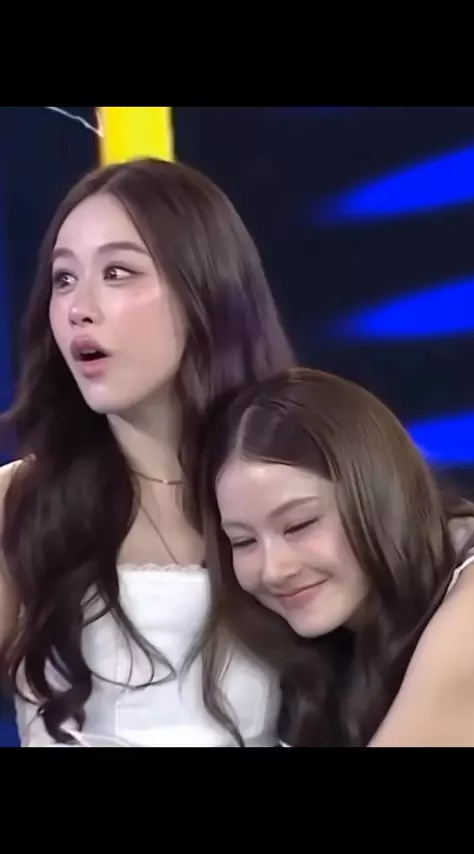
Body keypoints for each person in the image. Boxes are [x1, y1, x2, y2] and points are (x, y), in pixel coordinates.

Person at [0, 156, 295, 747]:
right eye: (64, 278)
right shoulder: (18, 502)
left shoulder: (303, 488)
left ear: (204, 288)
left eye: (117, 272)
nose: (78, 307)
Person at [198, 367, 474, 747]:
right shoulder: (332, 645)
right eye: (243, 541)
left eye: (299, 525)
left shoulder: (472, 607)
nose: (274, 570)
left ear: (378, 493)